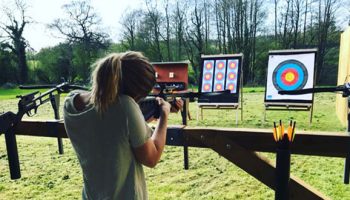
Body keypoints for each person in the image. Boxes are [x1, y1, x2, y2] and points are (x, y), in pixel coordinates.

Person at [63, 51, 183, 200]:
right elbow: (152, 158)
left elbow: (111, 130)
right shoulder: (124, 105)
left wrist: (143, 117)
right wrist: (164, 114)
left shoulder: (70, 103)